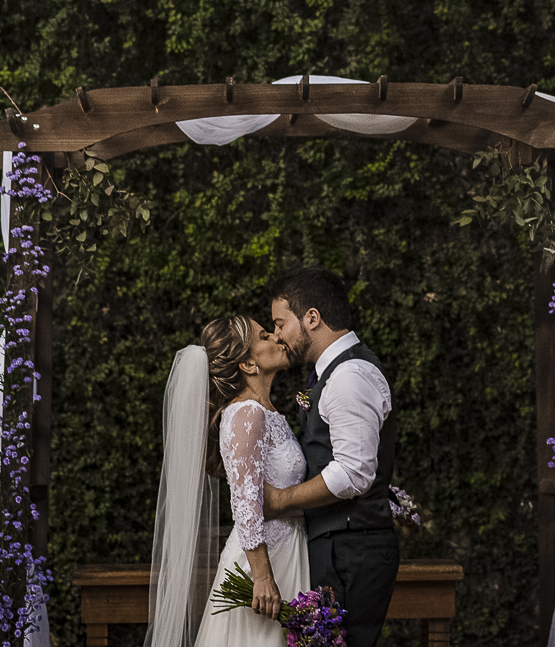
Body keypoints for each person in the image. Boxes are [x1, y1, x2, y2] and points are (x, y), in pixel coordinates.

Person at [145, 314, 310, 647]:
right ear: (248, 364)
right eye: (265, 336)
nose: (277, 338)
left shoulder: (267, 411)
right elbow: (246, 500)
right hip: (263, 564)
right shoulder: (245, 414)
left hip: (290, 551)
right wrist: (262, 578)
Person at [266, 267, 399, 647]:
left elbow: (353, 474)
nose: (277, 335)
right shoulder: (333, 374)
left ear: (312, 318)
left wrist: (279, 501)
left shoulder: (349, 376)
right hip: (341, 546)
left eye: (279, 323)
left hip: (352, 551)